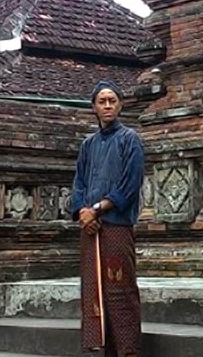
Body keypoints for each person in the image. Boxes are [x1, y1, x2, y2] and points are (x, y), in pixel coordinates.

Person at [70, 80, 145, 357]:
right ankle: (97, 348)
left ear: (120, 104)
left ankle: (127, 351)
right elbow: (78, 183)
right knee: (93, 290)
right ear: (94, 107)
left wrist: (98, 209)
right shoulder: (88, 145)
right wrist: (82, 212)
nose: (107, 105)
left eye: (112, 100)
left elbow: (129, 184)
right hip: (90, 227)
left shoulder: (130, 140)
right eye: (102, 101)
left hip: (115, 225)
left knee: (119, 288)